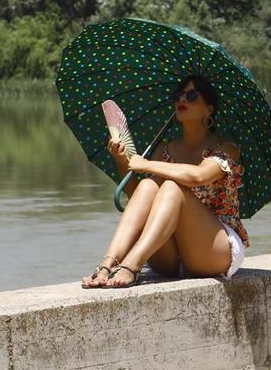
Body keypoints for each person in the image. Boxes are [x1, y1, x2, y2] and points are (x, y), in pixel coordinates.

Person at [81, 75, 248, 288]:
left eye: (192, 95)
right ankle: (106, 264)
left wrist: (146, 165)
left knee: (170, 188)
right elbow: (137, 198)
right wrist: (122, 162)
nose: (183, 100)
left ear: (209, 109)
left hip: (213, 249)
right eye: (179, 95)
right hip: (171, 254)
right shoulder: (165, 149)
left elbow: (199, 176)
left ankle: (131, 264)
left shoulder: (227, 148)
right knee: (147, 186)